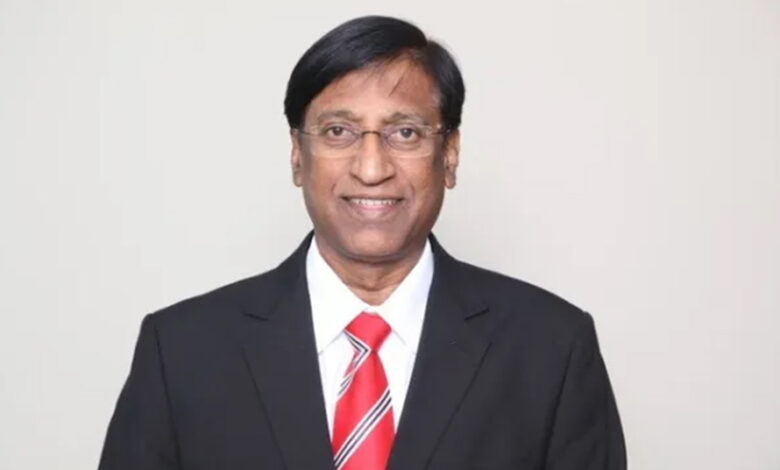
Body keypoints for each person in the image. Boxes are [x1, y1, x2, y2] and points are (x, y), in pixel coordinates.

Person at [98, 15, 626, 470]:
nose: (372, 169)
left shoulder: (551, 350)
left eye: (405, 133)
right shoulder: (182, 352)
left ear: (449, 155)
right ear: (296, 155)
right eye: (338, 132)